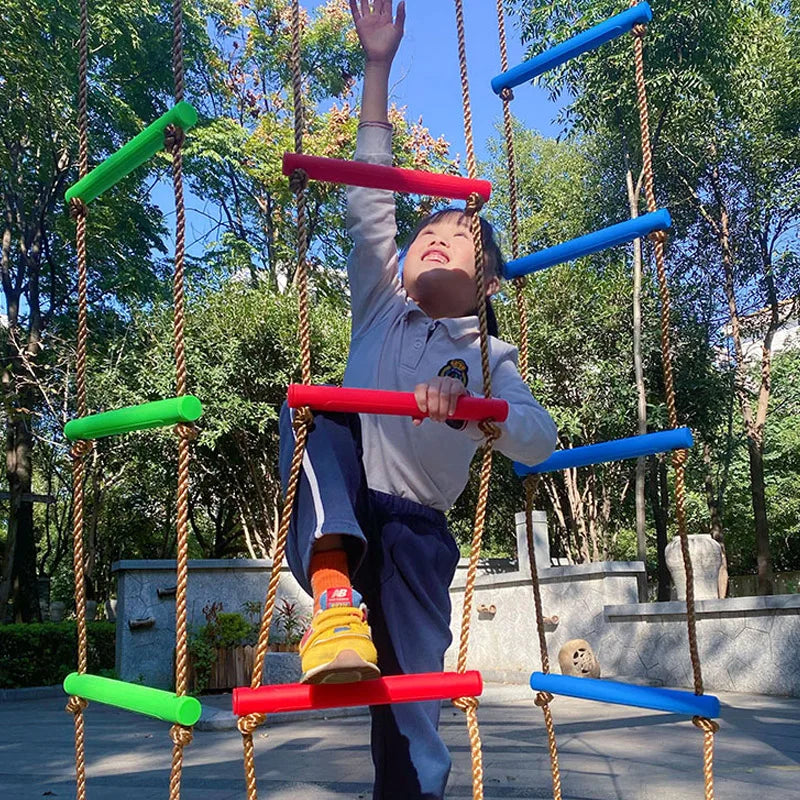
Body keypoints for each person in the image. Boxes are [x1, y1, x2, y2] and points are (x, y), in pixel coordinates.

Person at [278, 2, 557, 798]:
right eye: (425, 229)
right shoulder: (381, 308)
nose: (436, 234)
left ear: (488, 278)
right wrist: (377, 68)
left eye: (460, 233)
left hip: (416, 538)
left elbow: (538, 438)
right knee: (322, 404)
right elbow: (370, 207)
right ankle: (331, 591)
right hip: (347, 509)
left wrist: (476, 411)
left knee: (407, 709)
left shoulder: (488, 354)